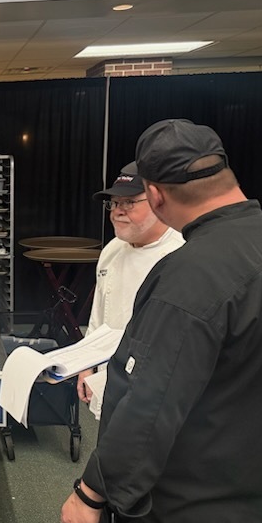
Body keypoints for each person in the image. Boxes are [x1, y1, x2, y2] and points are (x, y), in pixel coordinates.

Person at [61, 119, 262, 523]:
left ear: (156, 194)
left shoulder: (190, 274)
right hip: (254, 487)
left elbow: (151, 401)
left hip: (190, 506)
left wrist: (90, 495)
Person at [76, 162, 184, 418]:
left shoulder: (182, 255)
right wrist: (86, 364)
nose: (117, 212)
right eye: (113, 203)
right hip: (110, 377)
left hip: (157, 391)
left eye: (129, 203)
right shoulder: (112, 250)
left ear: (159, 201)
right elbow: (98, 317)